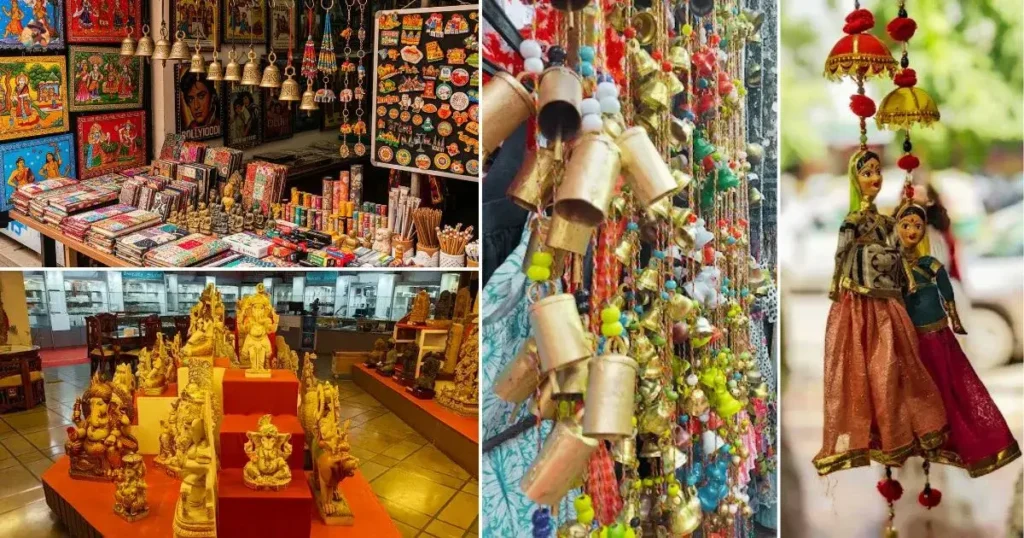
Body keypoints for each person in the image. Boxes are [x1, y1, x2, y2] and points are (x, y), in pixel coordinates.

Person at [813, 149, 948, 475]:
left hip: (892, 305)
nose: (874, 178)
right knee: (872, 375)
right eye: (867, 173)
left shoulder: (888, 223)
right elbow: (840, 258)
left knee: (904, 372)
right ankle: (884, 436)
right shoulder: (852, 223)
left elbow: (904, 258)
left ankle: (910, 434)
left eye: (876, 172)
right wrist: (837, 288)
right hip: (862, 307)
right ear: (855, 180)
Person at [894, 201, 1020, 477]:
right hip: (911, 340)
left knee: (949, 393)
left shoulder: (932, 254)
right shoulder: (896, 262)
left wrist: (955, 320)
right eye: (906, 224)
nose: (912, 230)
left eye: (917, 224)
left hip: (936, 334)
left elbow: (946, 291)